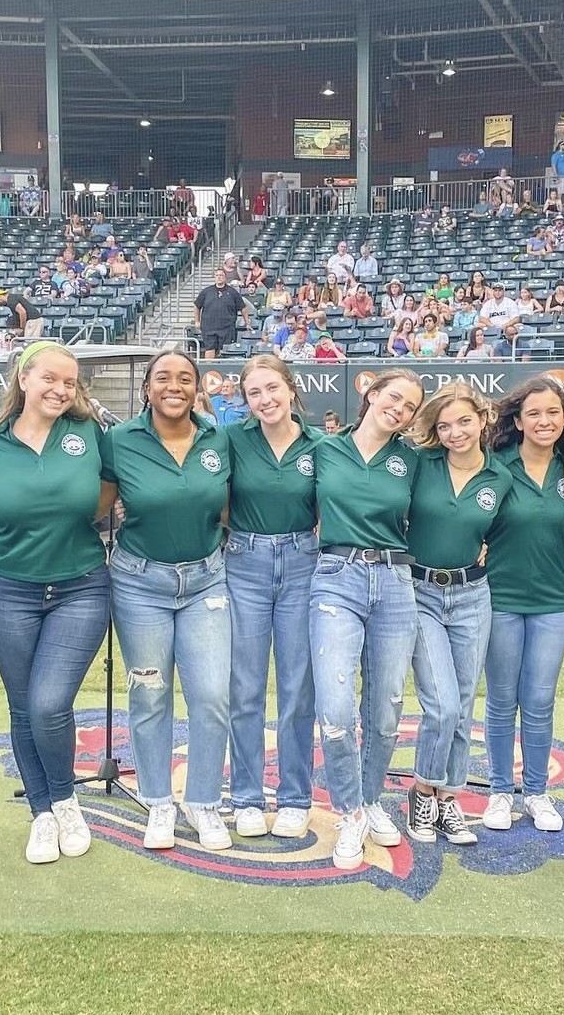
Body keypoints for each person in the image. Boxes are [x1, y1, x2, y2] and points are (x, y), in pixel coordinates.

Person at [0, 341, 109, 864]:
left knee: (49, 702)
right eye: (50, 378)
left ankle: (65, 798)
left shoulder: (90, 434)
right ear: (24, 377)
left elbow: (108, 496)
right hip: (8, 587)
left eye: (69, 382)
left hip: (79, 584)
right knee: (20, 704)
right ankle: (42, 813)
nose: (60, 389)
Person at [99, 350, 234, 851]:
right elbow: (98, 505)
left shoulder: (220, 438)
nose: (173, 386)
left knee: (212, 695)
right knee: (150, 694)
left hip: (206, 582)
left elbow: (228, 506)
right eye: (163, 378)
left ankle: (202, 802)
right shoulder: (119, 440)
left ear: (198, 387)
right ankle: (157, 800)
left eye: (184, 378)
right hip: (139, 584)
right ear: (147, 388)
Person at [310, 369, 425, 869]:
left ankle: (371, 797)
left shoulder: (412, 462)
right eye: (393, 398)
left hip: (396, 582)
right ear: (372, 394)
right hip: (337, 574)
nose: (398, 410)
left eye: (409, 407)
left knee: (387, 706)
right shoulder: (324, 448)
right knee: (335, 705)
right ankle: (350, 811)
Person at [404, 384, 511, 846]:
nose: (454, 432)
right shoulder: (419, 464)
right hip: (420, 591)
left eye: (463, 421)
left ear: (482, 418)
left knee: (464, 705)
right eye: (444, 425)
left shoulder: (499, 477)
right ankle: (423, 790)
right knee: (442, 703)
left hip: (472, 594)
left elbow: (502, 533)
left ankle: (449, 799)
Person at [224, 356, 322, 840]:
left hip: (304, 561)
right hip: (244, 561)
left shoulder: (318, 444)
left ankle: (294, 796)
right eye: (254, 393)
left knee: (297, 687)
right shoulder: (231, 439)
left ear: (290, 388)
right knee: (244, 686)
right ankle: (244, 795)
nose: (264, 400)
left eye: (272, 388)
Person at [480, 378, 564, 834]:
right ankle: (499, 791)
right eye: (534, 413)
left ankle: (536, 793)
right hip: (500, 598)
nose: (544, 421)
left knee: (538, 700)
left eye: (553, 412)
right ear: (517, 421)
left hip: (554, 600)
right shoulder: (496, 468)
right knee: (501, 700)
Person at [194, 268, 248, 359]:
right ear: (214, 277)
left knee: (226, 350)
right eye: (217, 275)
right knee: (209, 348)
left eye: (221, 275)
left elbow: (243, 308)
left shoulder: (232, 292)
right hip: (209, 327)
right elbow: (196, 306)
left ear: (225, 278)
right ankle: (209, 370)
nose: (219, 277)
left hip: (227, 327)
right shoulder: (206, 292)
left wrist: (247, 322)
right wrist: (197, 321)